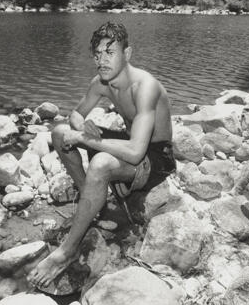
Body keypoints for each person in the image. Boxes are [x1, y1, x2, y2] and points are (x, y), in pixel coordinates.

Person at [27, 21, 176, 288]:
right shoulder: (101, 83)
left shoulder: (145, 87)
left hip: (155, 157)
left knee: (101, 162)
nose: (102, 60)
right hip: (132, 143)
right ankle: (92, 201)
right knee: (59, 133)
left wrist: (85, 138)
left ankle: (68, 251)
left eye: (110, 52)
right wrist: (80, 125)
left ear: (127, 54)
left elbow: (134, 152)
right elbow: (76, 113)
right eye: (97, 54)